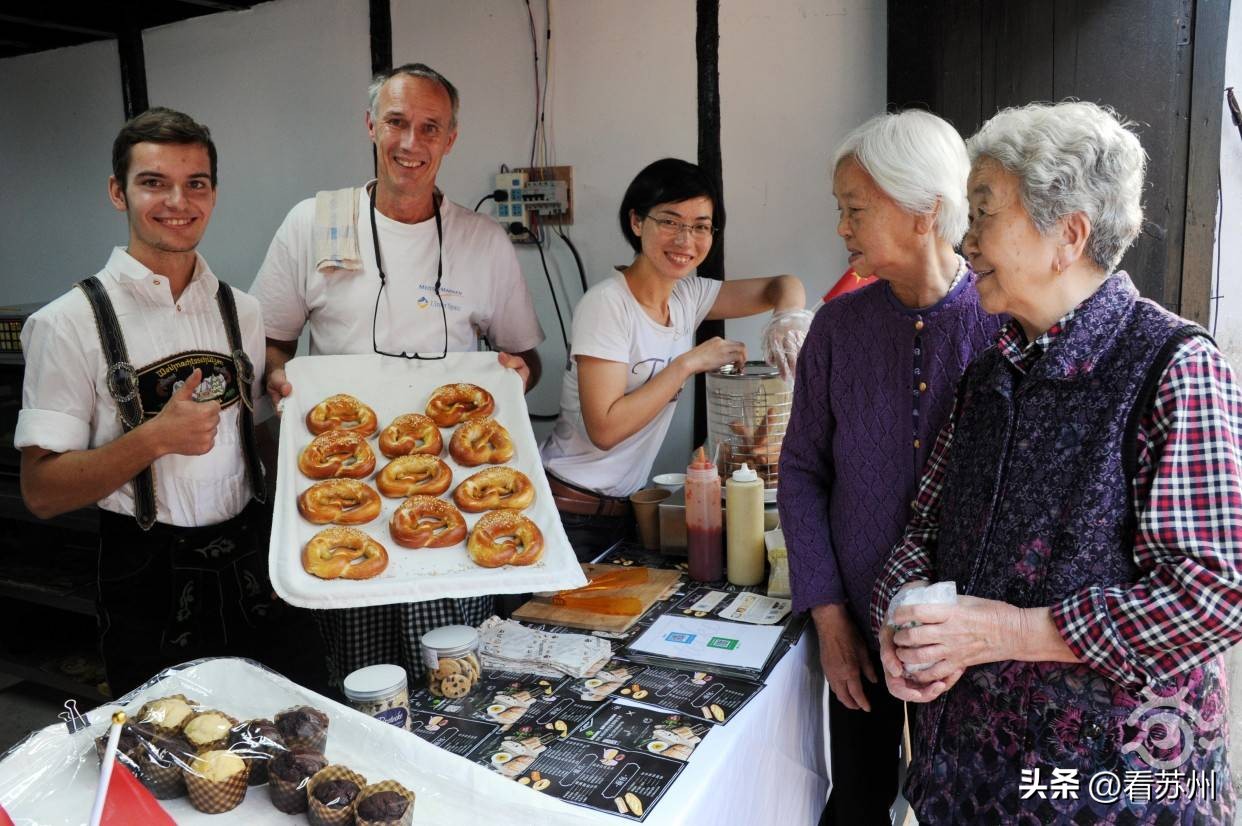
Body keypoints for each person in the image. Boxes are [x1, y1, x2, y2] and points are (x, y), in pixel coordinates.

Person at [871, 101, 1240, 824]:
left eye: (982, 213)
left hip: (1115, 786)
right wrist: (904, 613)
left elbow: (1215, 594)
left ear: (1067, 235)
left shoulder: (1174, 365)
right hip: (974, 777)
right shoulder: (990, 373)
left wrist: (1009, 631)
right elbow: (923, 529)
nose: (963, 238)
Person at [251, 63, 545, 689]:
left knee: (453, 675)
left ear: (450, 138)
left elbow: (527, 358)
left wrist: (517, 372)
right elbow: (272, 347)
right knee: (362, 680)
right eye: (396, 123)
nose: (411, 144)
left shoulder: (483, 240)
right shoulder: (313, 223)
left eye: (429, 128)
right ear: (370, 126)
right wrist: (276, 379)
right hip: (344, 494)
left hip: (450, 491)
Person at [778, 110, 1003, 825]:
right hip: (858, 616)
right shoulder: (838, 328)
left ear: (923, 211)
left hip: (976, 630)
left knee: (971, 799)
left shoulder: (1002, 325)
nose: (842, 229)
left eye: (855, 211)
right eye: (840, 211)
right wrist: (829, 616)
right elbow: (801, 472)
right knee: (861, 797)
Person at [16, 108, 282, 697]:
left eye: (196, 184)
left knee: (275, 743)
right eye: (153, 182)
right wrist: (153, 438)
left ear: (213, 194)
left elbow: (255, 442)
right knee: (167, 760)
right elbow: (41, 491)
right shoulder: (66, 323)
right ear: (118, 192)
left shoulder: (244, 310)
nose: (177, 202)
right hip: (145, 577)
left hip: (251, 567)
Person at [539, 158, 808, 558]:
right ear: (636, 222)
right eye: (670, 221)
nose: (686, 240)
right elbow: (605, 429)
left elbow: (781, 284)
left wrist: (789, 319)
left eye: (700, 226)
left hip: (621, 508)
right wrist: (687, 364)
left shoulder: (687, 296)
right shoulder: (607, 305)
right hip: (569, 510)